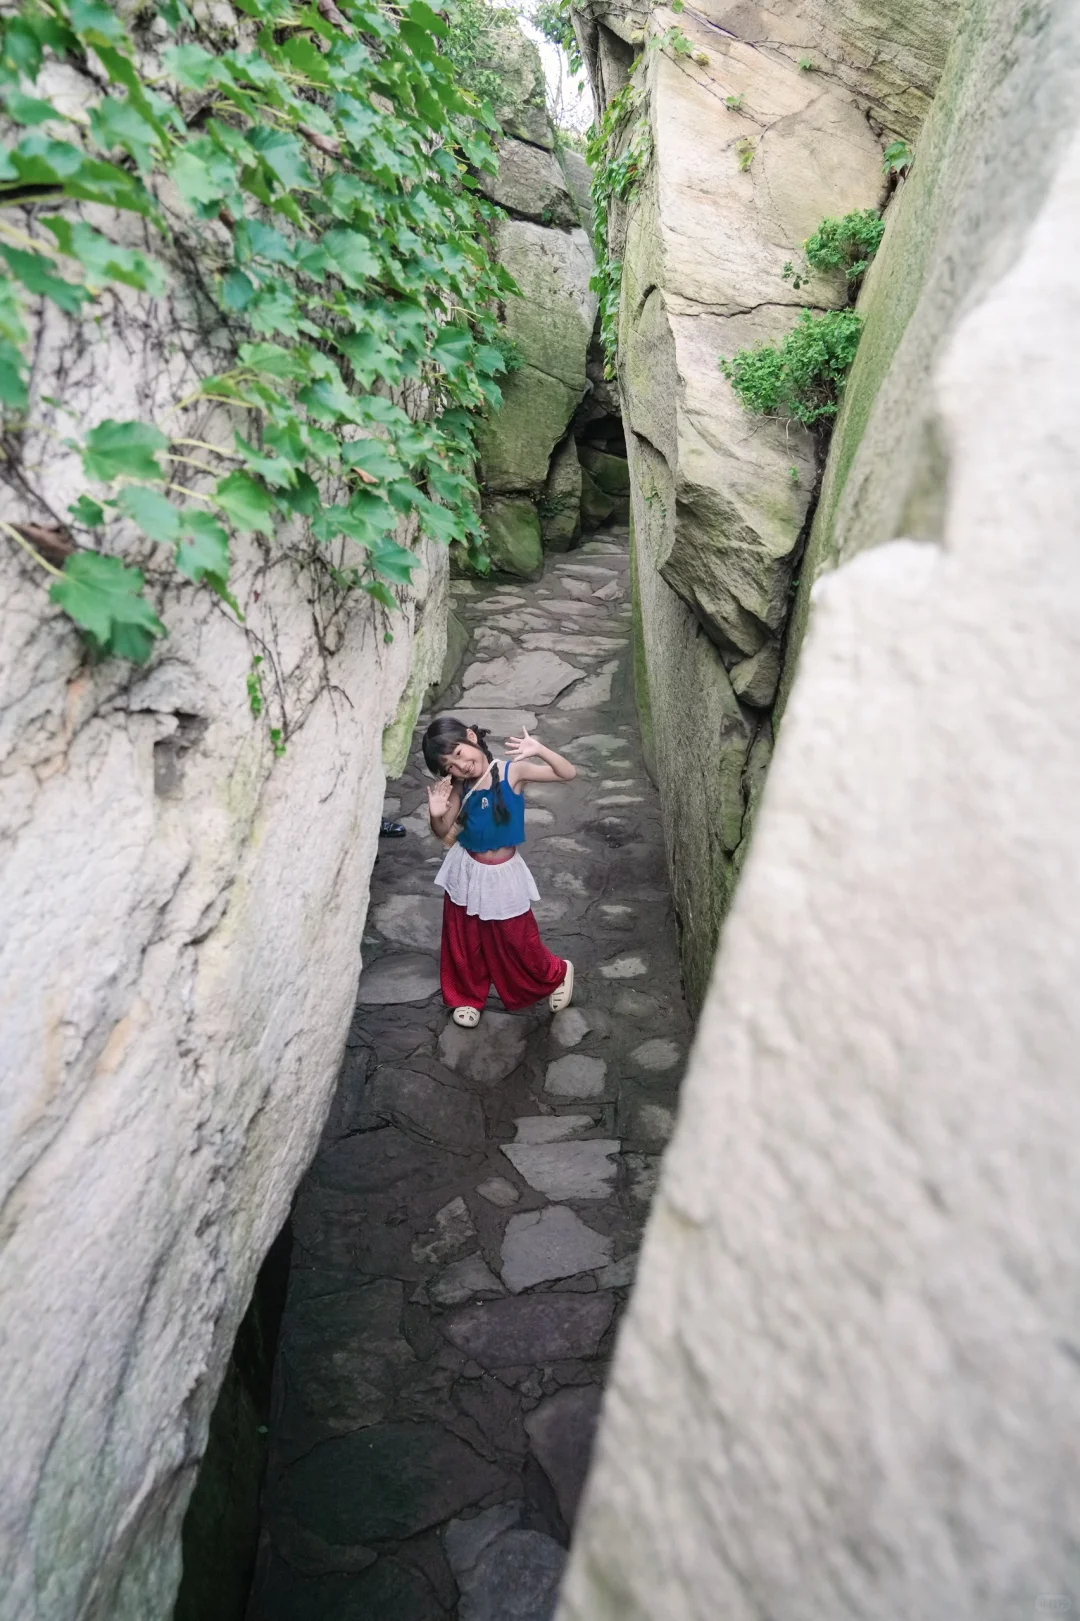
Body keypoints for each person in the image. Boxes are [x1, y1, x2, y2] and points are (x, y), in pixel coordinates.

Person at [422, 716, 576, 1028]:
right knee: (464, 939)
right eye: (450, 765)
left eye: (459, 753)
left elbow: (567, 773)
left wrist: (539, 749)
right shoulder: (459, 787)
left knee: (517, 938)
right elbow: (443, 831)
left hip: (503, 875)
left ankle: (557, 973)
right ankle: (467, 997)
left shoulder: (511, 772)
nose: (460, 766)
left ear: (471, 737)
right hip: (466, 870)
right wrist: (436, 814)